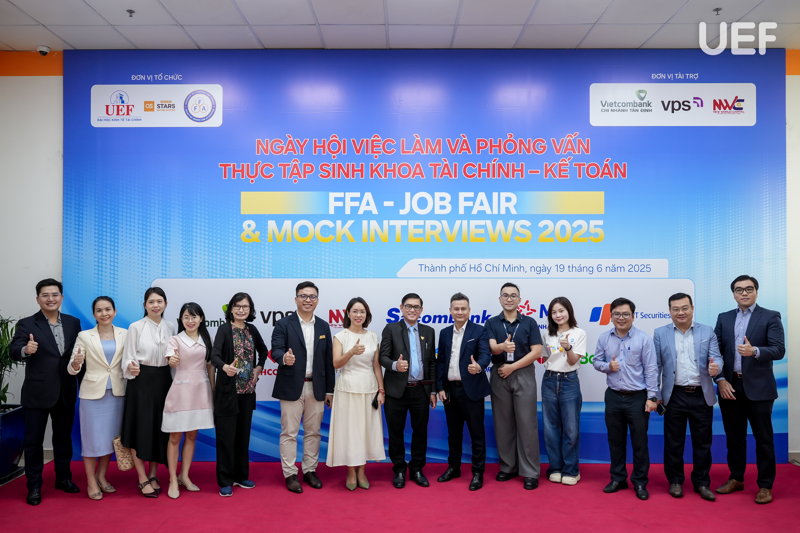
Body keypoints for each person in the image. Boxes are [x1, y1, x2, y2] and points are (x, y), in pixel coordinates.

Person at [714, 275, 785, 504]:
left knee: (763, 439)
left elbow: (778, 350)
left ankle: (765, 486)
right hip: (730, 386)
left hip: (759, 388)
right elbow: (715, 352)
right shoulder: (724, 318)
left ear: (756, 291)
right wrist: (720, 379)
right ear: (733, 293)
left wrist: (754, 351)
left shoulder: (770, 316)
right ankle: (736, 478)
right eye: (739, 289)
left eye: (749, 289)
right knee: (734, 437)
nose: (744, 293)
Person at [10, 278, 82, 506]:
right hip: (37, 392)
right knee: (33, 442)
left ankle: (63, 478)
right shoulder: (27, 324)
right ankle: (34, 486)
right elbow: (14, 350)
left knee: (63, 439)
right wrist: (26, 349)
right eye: (45, 295)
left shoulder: (73, 322)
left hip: (65, 390)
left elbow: (78, 354)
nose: (50, 299)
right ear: (38, 299)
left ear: (61, 297)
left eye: (54, 294)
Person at [653, 292, 721, 502]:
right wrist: (655, 394)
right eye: (676, 309)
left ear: (692, 308)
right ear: (670, 311)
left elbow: (717, 357)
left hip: (701, 394)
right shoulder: (660, 333)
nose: (680, 312)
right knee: (674, 442)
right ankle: (675, 481)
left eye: (684, 308)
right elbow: (656, 366)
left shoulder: (707, 331)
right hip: (674, 395)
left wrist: (716, 367)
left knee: (703, 443)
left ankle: (702, 482)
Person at [593, 297, 658, 501]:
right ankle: (618, 478)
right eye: (617, 314)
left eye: (625, 314)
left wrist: (652, 397)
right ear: (611, 316)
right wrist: (607, 367)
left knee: (640, 442)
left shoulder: (643, 339)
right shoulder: (604, 338)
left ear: (633, 316)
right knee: (615, 441)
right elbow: (596, 361)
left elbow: (651, 369)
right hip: (613, 396)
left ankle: (640, 481)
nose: (621, 318)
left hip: (637, 397)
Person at [272, 281, 334, 493]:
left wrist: (329, 390)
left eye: (312, 296)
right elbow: (276, 349)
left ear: (317, 300)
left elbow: (328, 361)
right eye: (303, 296)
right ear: (296, 299)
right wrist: (284, 358)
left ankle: (310, 470)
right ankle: (290, 473)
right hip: (291, 386)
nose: (308, 300)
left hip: (316, 387)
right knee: (289, 433)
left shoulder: (323, 326)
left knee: (313, 432)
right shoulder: (283, 324)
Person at [67, 296, 127, 501]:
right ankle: (91, 481)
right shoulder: (85, 336)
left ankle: (101, 476)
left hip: (117, 394)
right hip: (92, 396)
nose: (104, 313)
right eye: (99, 310)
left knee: (110, 439)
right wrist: (76, 363)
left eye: (108, 309)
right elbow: (72, 368)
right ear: (94, 314)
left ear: (115, 311)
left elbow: (129, 361)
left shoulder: (125, 334)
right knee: (92, 440)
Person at [484, 282, 543, 490]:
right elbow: (492, 348)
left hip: (522, 372)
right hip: (499, 373)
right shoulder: (492, 322)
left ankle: (530, 472)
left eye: (513, 295)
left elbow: (537, 351)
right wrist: (502, 347)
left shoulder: (529, 322)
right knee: (503, 423)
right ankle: (508, 467)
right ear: (500, 299)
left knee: (527, 423)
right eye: (505, 295)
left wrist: (513, 367)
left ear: (519, 300)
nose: (509, 299)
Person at [210, 292, 269, 497]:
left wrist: (259, 368)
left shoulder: (252, 330)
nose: (241, 310)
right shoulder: (224, 329)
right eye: (237, 306)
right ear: (231, 309)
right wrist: (225, 367)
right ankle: (225, 480)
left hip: (247, 392)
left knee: (243, 437)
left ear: (250, 310)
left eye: (245, 306)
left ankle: (241, 476)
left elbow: (264, 351)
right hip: (228, 393)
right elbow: (214, 356)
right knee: (226, 438)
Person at [120, 287, 177, 498]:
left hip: (164, 381)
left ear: (166, 304)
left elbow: (173, 357)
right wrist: (131, 367)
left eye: (159, 301)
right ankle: (142, 477)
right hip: (141, 381)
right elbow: (127, 357)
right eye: (151, 302)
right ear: (144, 305)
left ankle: (153, 474)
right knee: (140, 428)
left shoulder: (171, 327)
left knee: (159, 429)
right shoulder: (136, 327)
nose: (155, 305)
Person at [326, 297, 385, 490]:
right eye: (355, 311)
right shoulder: (340, 336)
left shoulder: (373, 336)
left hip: (369, 389)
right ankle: (351, 471)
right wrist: (351, 351)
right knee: (350, 431)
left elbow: (376, 366)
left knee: (366, 430)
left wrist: (381, 390)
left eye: (362, 312)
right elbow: (336, 364)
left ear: (367, 315)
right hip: (347, 389)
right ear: (348, 314)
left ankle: (362, 471)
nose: (359, 315)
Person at [380, 292, 437, 489]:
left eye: (416, 307)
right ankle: (399, 469)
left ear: (421, 310)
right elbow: (382, 357)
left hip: (421, 390)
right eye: (409, 306)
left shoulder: (429, 331)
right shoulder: (391, 329)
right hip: (396, 391)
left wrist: (432, 391)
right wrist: (395, 365)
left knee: (420, 432)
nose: (412, 310)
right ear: (401, 308)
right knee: (395, 432)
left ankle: (417, 469)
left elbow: (431, 363)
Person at [435, 292, 491, 491]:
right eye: (456, 309)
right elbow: (441, 362)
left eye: (463, 308)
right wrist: (440, 387)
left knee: (477, 433)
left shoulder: (479, 330)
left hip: (472, 391)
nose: (460, 312)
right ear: (450, 311)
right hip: (450, 391)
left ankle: (478, 472)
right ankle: (454, 467)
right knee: (453, 433)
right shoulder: (444, 333)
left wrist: (479, 366)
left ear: (469, 310)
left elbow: (485, 354)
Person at [162, 302, 215, 499]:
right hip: (180, 391)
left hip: (200, 391)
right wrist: (172, 360)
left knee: (192, 436)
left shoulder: (207, 340)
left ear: (201, 319)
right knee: (175, 437)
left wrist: (214, 390)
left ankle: (184, 475)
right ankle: (172, 479)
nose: (190, 321)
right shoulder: (175, 340)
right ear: (181, 319)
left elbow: (210, 367)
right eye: (186, 317)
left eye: (194, 317)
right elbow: (171, 359)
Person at [541, 296, 586, 486]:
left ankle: (571, 470)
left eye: (561, 311)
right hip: (549, 380)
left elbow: (573, 361)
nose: (558, 315)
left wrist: (568, 348)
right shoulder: (547, 334)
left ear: (569, 311)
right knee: (550, 428)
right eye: (554, 312)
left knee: (571, 429)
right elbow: (542, 357)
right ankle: (555, 468)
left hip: (569, 381)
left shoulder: (579, 333)